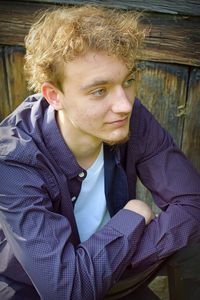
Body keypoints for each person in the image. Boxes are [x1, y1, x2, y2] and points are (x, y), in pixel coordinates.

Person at [0, 5, 199, 300]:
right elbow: (65, 291)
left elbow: (193, 202)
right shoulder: (13, 160)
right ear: (54, 96)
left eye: (128, 81)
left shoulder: (130, 117)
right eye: (99, 91)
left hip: (114, 276)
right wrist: (132, 218)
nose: (125, 104)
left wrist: (104, 267)